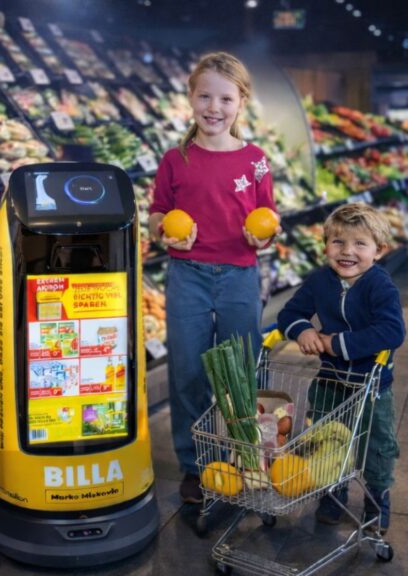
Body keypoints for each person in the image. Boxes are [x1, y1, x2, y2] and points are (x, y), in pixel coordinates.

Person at [147, 51, 277, 504]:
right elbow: (157, 214)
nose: (214, 108)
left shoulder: (257, 160)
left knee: (242, 371)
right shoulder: (175, 159)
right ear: (191, 98)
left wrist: (261, 237)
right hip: (188, 276)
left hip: (241, 274)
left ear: (241, 101)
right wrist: (164, 231)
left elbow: (268, 217)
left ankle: (246, 456)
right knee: (187, 374)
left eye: (225, 98)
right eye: (205, 96)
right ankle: (196, 464)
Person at [276, 203, 405, 533]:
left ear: (379, 251)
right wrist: (303, 329)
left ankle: (377, 499)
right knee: (327, 437)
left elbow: (392, 331)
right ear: (325, 247)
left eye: (360, 244)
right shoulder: (320, 281)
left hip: (371, 384)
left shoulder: (380, 286)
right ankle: (332, 492)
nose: (348, 252)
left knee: (376, 444)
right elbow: (289, 313)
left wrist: (337, 343)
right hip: (330, 379)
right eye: (338, 242)